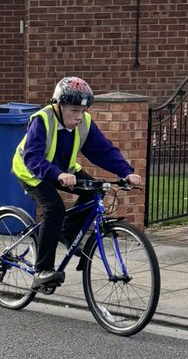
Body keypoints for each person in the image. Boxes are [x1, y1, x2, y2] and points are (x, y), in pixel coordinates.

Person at [12, 76, 143, 289]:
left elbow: (103, 151)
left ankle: (66, 231)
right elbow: (33, 157)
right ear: (58, 105)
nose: (79, 116)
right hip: (32, 171)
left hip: (66, 171)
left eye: (83, 110)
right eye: (74, 110)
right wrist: (57, 174)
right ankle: (43, 270)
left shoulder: (85, 123)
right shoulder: (42, 120)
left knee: (94, 192)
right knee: (53, 209)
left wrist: (126, 171)